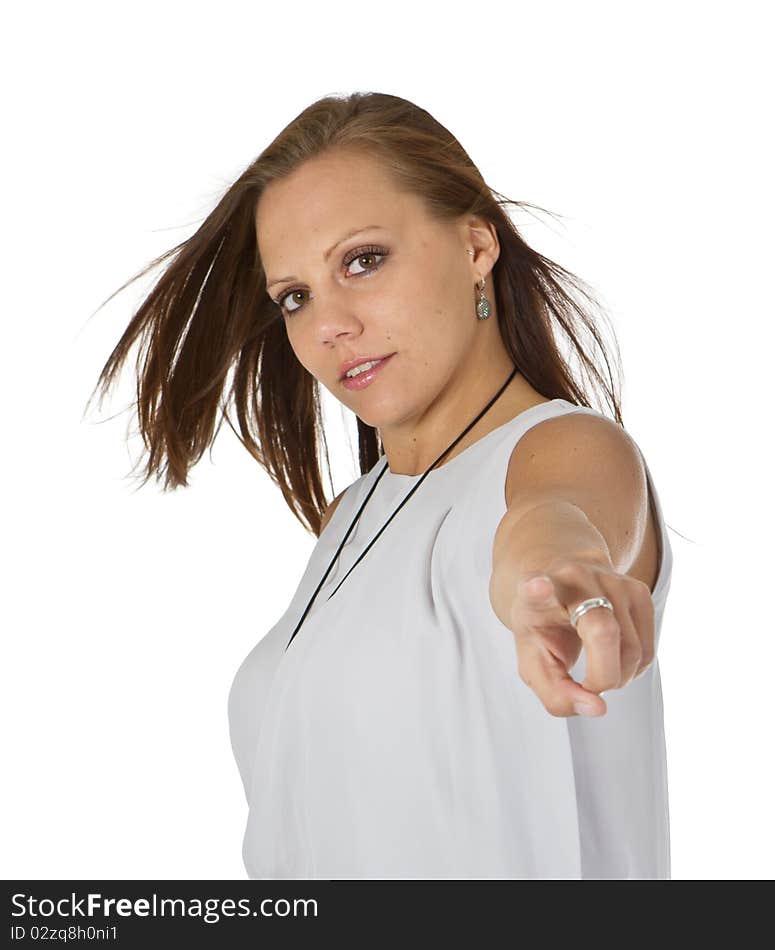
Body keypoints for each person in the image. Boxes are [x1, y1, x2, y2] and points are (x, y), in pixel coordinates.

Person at [90, 91, 673, 880]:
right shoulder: (350, 519)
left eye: (362, 261)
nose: (329, 324)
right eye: (294, 296)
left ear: (475, 247)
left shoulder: (561, 447)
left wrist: (556, 581)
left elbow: (548, 524)